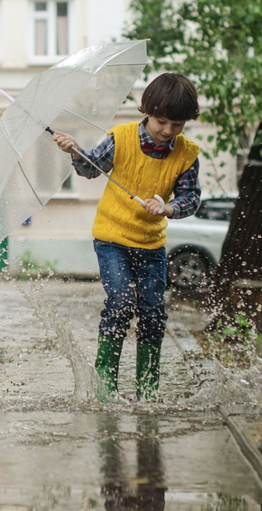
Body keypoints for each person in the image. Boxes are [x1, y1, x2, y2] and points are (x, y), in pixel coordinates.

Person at [52, 73, 201, 402]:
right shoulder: (120, 138)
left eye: (177, 125)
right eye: (162, 121)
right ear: (147, 111)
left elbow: (190, 199)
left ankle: (148, 391)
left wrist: (169, 207)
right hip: (112, 239)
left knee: (152, 312)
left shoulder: (187, 154)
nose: (168, 131)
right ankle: (105, 388)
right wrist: (75, 150)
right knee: (120, 304)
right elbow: (90, 169)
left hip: (151, 245)